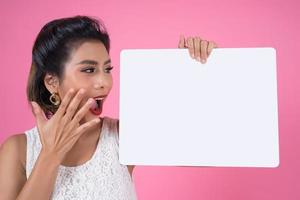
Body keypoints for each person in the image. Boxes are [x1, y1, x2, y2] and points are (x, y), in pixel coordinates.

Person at [0, 15, 217, 199]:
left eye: (107, 69)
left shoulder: (124, 136)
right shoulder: (18, 150)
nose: (104, 82)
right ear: (52, 82)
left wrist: (198, 69)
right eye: (88, 70)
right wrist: (50, 155)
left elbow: (207, 145)